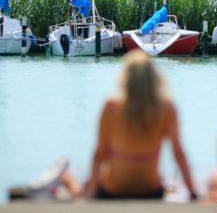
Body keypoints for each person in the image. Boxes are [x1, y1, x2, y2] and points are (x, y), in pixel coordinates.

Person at [61, 50, 197, 200]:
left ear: (126, 77)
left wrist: (91, 193)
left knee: (76, 179)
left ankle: (70, 182)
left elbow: (100, 153)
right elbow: (178, 153)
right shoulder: (167, 108)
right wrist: (192, 192)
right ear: (154, 78)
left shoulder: (111, 106)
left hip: (114, 190)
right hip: (151, 191)